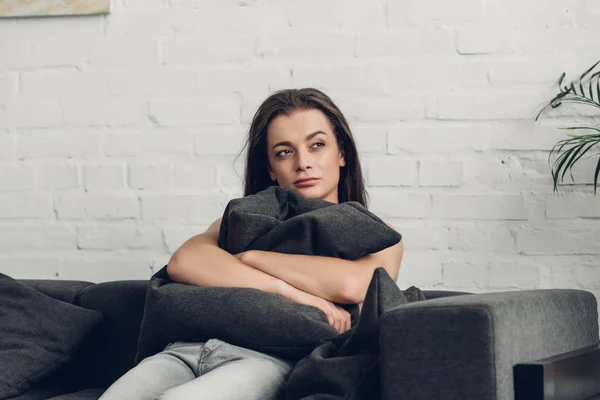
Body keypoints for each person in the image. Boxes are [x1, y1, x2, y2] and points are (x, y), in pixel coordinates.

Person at [98, 88, 404, 400]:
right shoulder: (250, 219)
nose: (303, 163)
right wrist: (290, 291)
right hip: (184, 350)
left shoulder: (380, 235)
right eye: (284, 152)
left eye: (317, 145)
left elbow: (353, 284)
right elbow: (184, 261)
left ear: (341, 154)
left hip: (265, 360)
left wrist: (252, 258)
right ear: (271, 168)